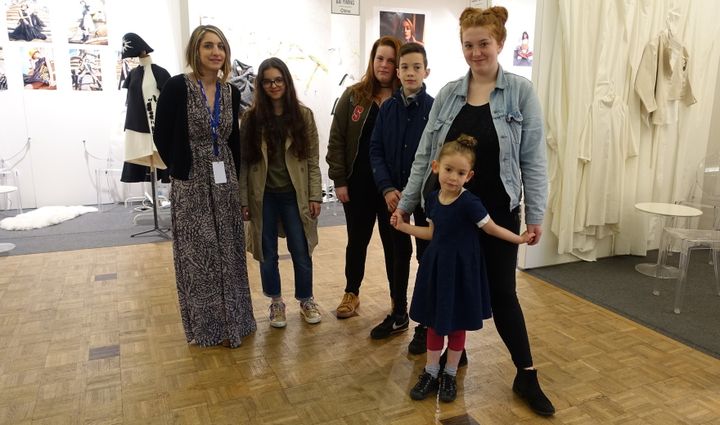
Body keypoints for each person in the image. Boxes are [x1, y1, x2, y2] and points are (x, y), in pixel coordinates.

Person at [392, 6, 555, 416]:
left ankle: (526, 373)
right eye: (468, 44)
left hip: (495, 213)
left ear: (500, 43)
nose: (476, 52)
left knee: (503, 294)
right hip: (445, 212)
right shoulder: (448, 93)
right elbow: (425, 155)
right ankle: (446, 362)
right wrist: (409, 204)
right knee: (445, 283)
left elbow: (534, 159)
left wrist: (535, 214)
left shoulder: (520, 92)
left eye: (484, 43)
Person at [392, 135, 533, 403]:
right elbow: (432, 233)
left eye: (460, 173)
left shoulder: (470, 203)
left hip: (461, 272)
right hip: (436, 269)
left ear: (469, 176)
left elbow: (490, 228)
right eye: (448, 170)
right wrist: (404, 227)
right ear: (436, 167)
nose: (453, 177)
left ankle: (449, 373)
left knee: (457, 327)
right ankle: (431, 371)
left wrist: (519, 239)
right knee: (433, 323)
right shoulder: (433, 199)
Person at [154, 24, 256, 348]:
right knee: (200, 258)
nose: (216, 52)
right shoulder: (177, 87)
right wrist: (179, 169)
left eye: (220, 47)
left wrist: (238, 188)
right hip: (191, 181)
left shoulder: (231, 92)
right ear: (195, 51)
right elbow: (162, 134)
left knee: (230, 253)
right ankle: (208, 328)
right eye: (208, 46)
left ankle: (236, 323)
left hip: (224, 177)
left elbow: (233, 140)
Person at [239, 57, 323, 328]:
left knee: (301, 250)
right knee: (267, 253)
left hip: (294, 195)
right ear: (260, 85)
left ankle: (306, 299)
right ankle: (276, 302)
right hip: (263, 195)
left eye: (278, 80)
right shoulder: (251, 119)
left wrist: (314, 195)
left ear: (286, 81)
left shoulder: (303, 116)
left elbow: (312, 160)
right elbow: (244, 163)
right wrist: (243, 200)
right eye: (267, 81)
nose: (273, 85)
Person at [326, 36, 401, 318]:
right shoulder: (354, 95)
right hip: (357, 186)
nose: (384, 65)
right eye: (380, 58)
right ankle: (351, 293)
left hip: (392, 190)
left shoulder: (403, 98)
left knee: (394, 245)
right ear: (372, 61)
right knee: (356, 241)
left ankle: (397, 298)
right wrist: (339, 180)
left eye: (391, 60)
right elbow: (337, 140)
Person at [367, 42, 432, 340]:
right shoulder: (388, 108)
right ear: (397, 71)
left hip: (426, 200)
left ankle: (426, 322)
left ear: (426, 71)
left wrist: (415, 192)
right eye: (405, 67)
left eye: (416, 67)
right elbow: (376, 149)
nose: (410, 72)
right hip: (393, 198)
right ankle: (398, 313)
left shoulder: (435, 109)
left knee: (427, 257)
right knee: (397, 255)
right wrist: (386, 187)